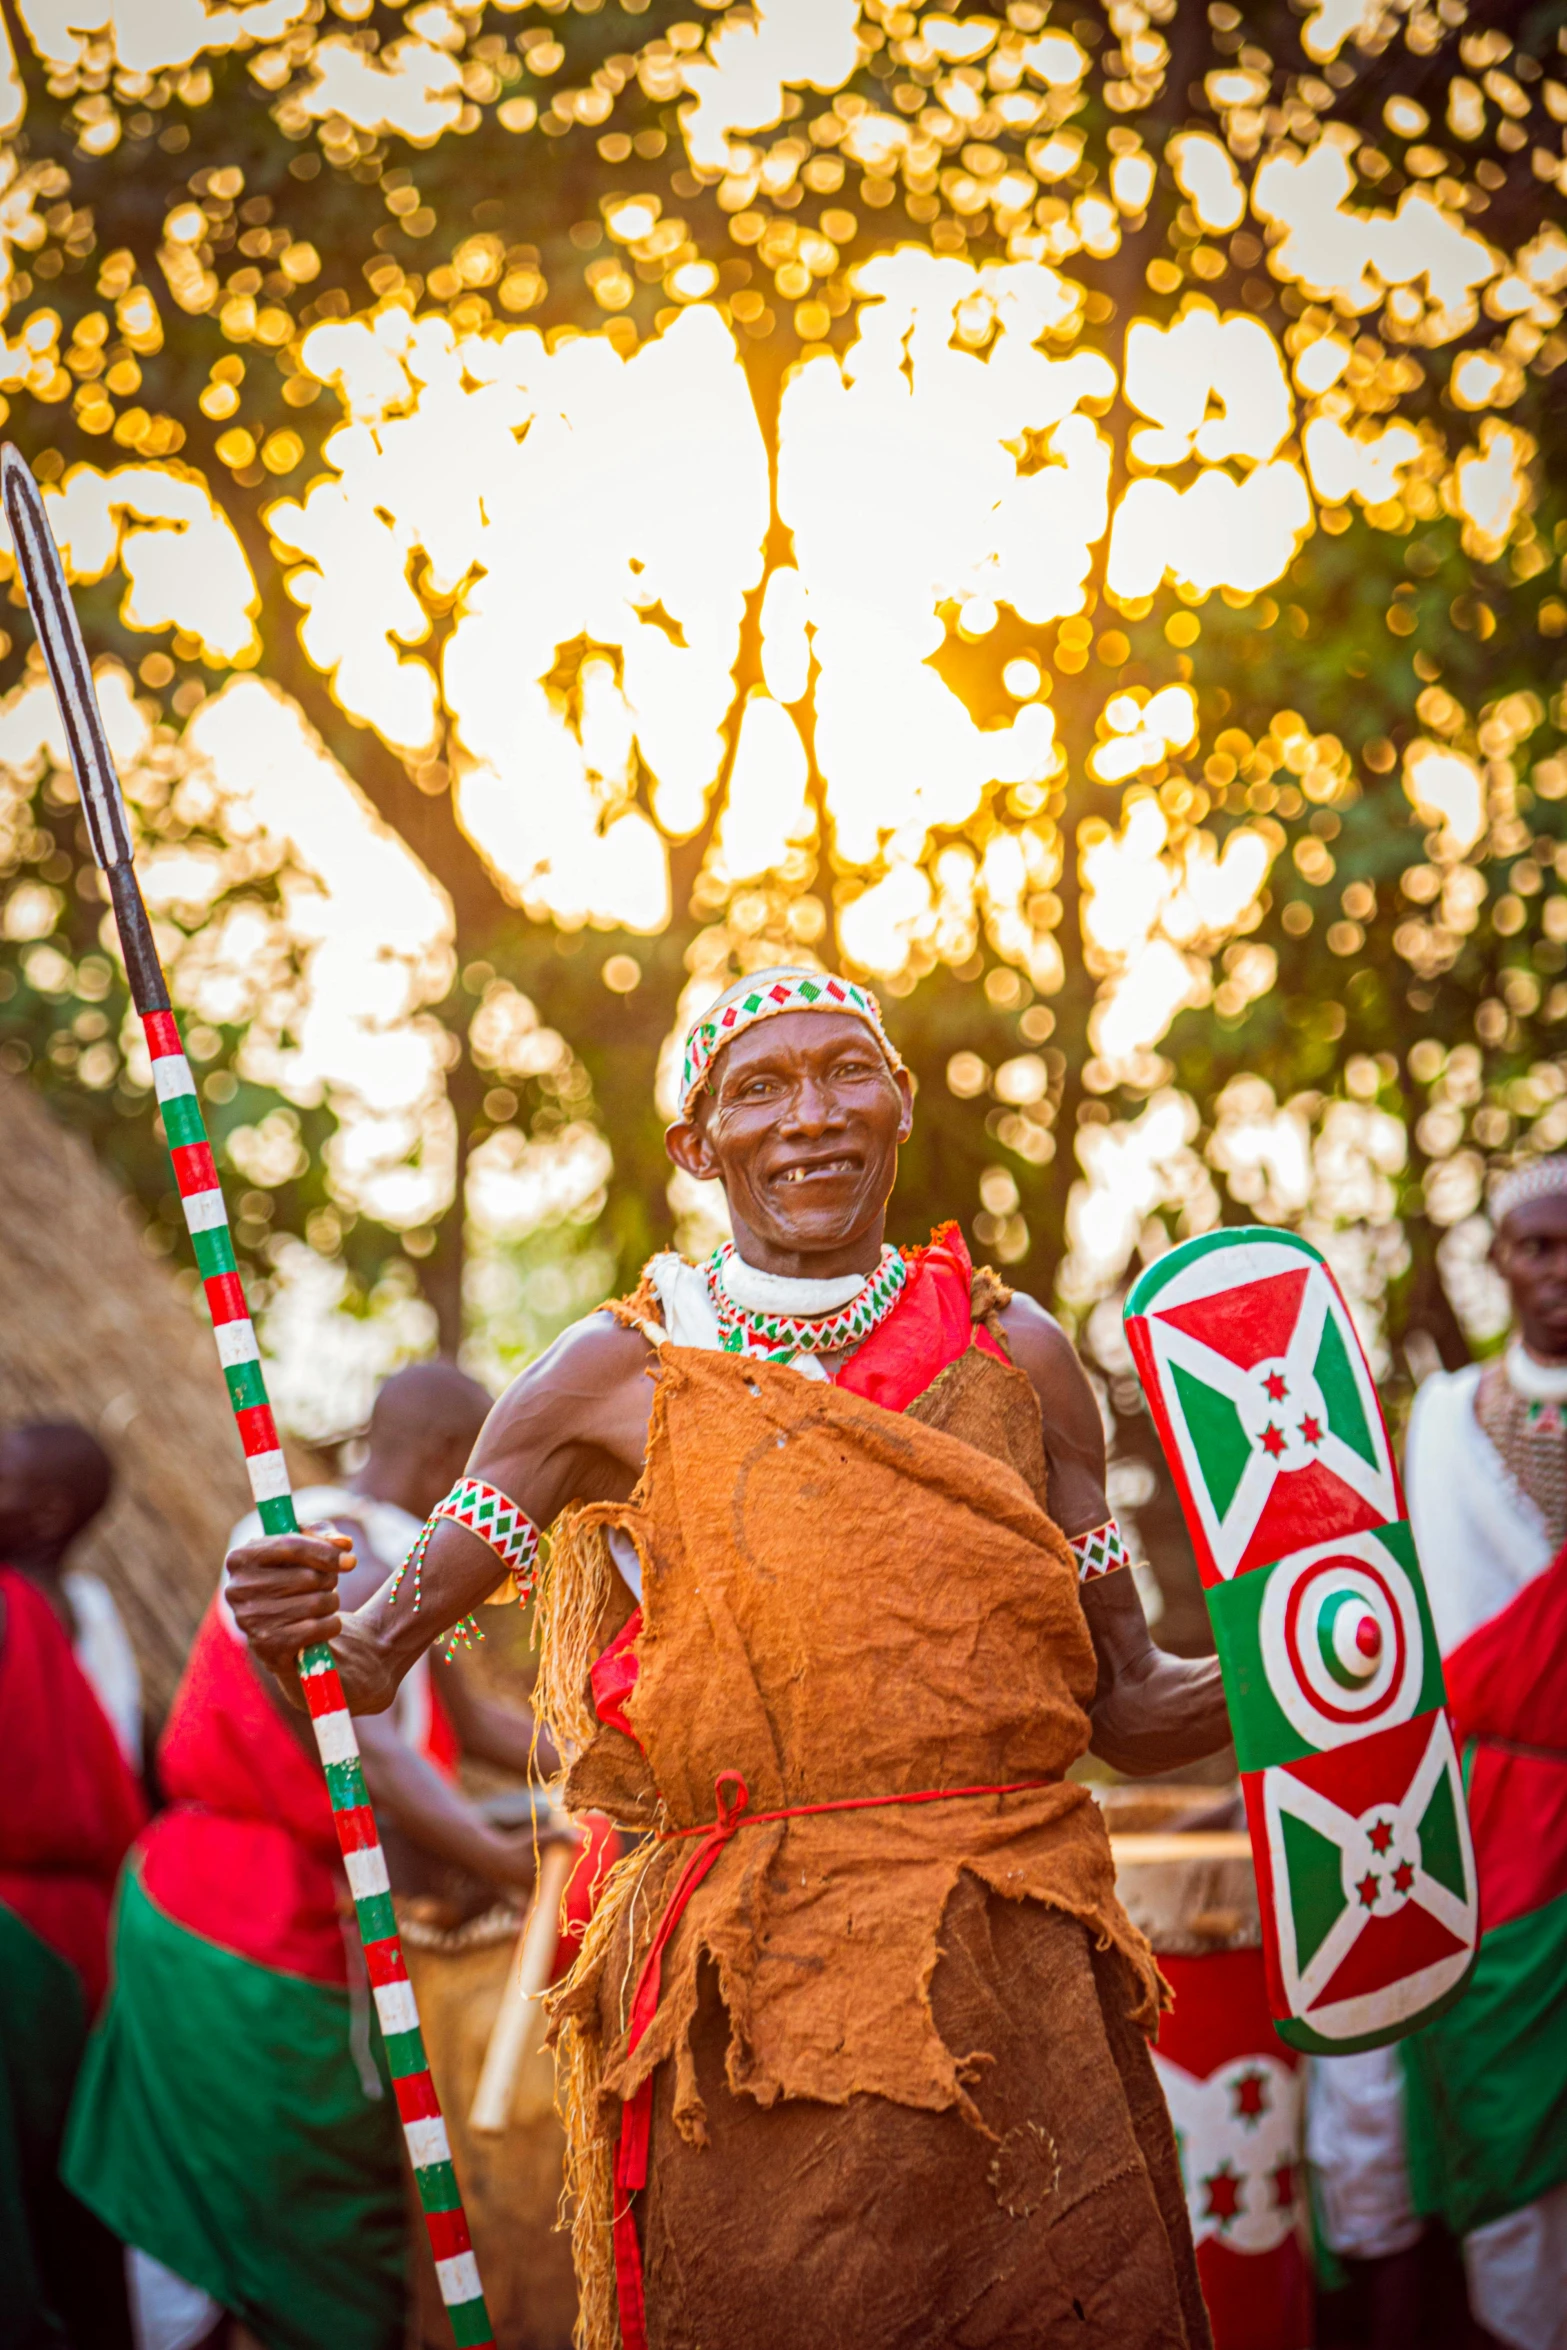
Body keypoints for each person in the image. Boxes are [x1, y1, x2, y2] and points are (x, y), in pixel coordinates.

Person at [228, 967, 1234, 2350]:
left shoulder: (1019, 1355)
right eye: (757, 1088)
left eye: (843, 1072)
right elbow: (370, 1660)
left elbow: (1134, 1703)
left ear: (896, 1101)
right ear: (696, 1147)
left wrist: (1312, 1641)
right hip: (756, 2004)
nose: (809, 1115)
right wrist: (285, 1623)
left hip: (1023, 1974)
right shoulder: (611, 1371)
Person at [64, 1359, 573, 2350]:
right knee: (240, 2206)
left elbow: (471, 1727)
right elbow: (375, 1755)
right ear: (445, 1458)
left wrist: (617, 1753)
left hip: (310, 1919)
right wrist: (515, 1867)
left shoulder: (410, 1563)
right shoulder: (318, 1556)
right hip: (232, 1925)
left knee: (324, 2205)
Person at [0, 1420, 146, 2350]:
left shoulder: (43, 1609)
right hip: (75, 1925)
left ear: (46, 1509)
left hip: (36, 1938)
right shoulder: (50, 1608)